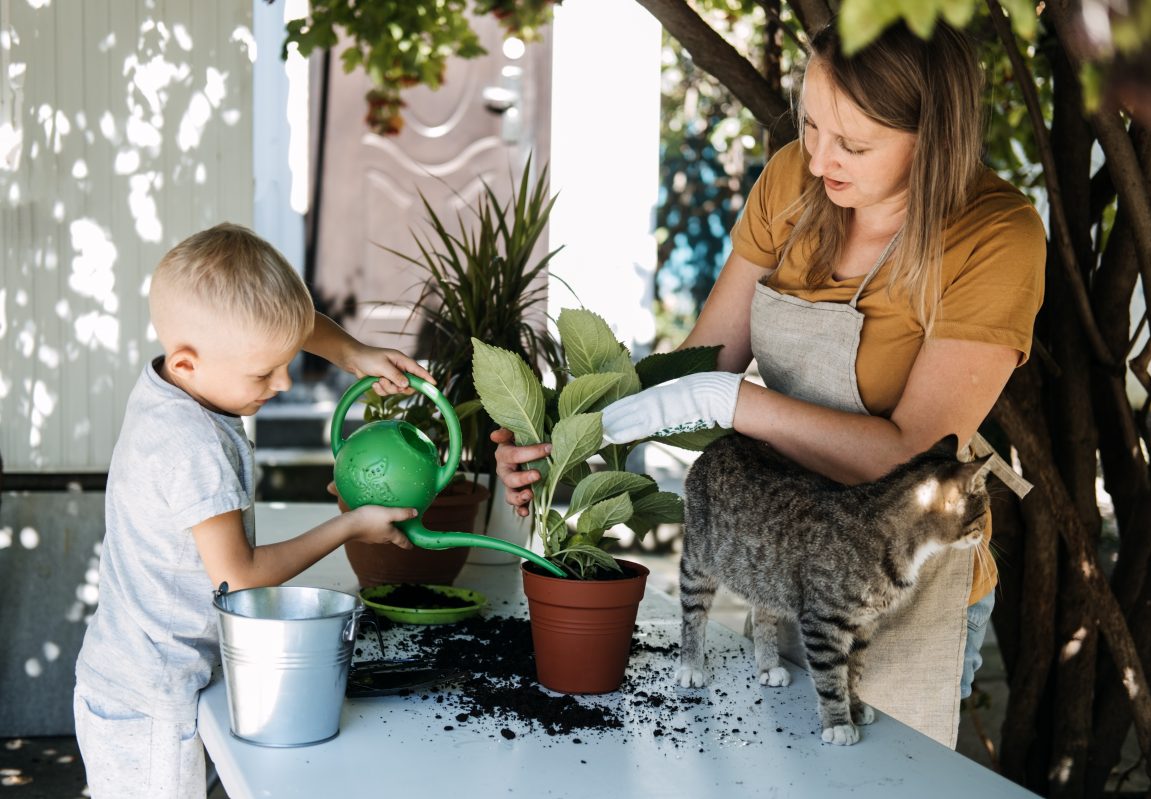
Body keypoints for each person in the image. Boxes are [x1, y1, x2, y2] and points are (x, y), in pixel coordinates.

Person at [494, 19, 1044, 746]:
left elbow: (910, 458)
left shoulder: (994, 237)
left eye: (853, 144)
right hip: (775, 559)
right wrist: (572, 431)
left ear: (935, 136)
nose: (818, 160)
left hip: (899, 593)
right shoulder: (792, 179)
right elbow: (705, 361)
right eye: (811, 124)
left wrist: (738, 406)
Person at [73, 222, 431, 798]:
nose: (284, 382)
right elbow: (237, 577)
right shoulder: (188, 444)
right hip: (149, 705)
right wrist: (350, 525)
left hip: (158, 677)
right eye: (263, 372)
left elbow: (291, 322)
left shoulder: (184, 376)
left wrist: (355, 354)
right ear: (188, 362)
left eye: (285, 361)